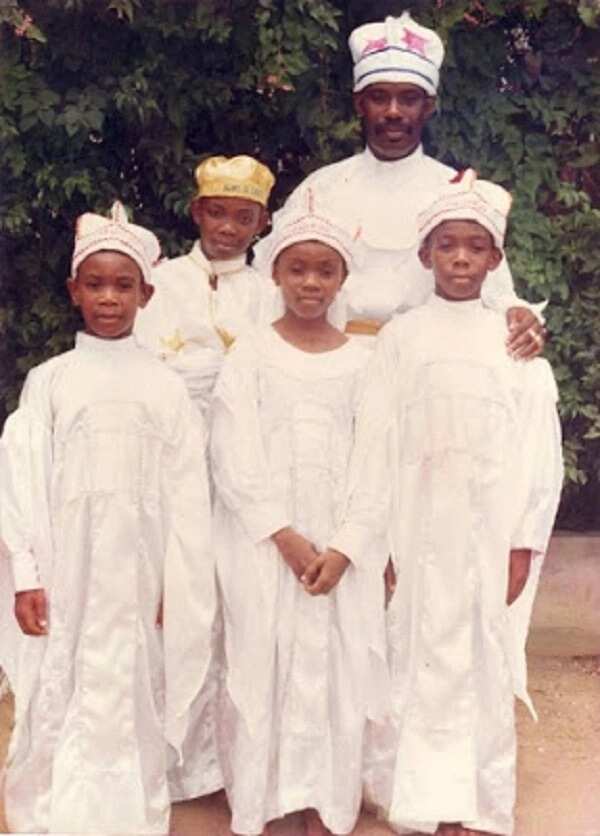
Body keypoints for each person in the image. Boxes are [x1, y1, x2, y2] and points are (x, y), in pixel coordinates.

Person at [340, 171, 563, 836]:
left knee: (481, 657)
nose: (461, 259)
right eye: (447, 246)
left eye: (475, 247)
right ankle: (414, 796)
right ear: (426, 255)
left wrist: (522, 541)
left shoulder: (516, 344)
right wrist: (376, 539)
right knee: (413, 651)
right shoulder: (401, 340)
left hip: (488, 530)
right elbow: (374, 442)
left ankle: (474, 801)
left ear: (495, 259)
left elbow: (537, 452)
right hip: (416, 526)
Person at [0, 203, 215, 835]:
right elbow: (20, 486)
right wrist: (27, 576)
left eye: (124, 286)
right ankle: (53, 818)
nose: (109, 298)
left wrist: (178, 585)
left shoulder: (165, 387)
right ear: (74, 291)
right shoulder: (51, 382)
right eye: (95, 284)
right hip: (68, 573)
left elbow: (187, 497)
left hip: (140, 578)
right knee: (60, 688)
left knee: (131, 693)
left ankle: (129, 820)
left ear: (147, 295)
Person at [209, 205, 390, 836]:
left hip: (340, 551)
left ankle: (326, 802)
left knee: (337, 667)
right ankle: (266, 803)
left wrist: (345, 546)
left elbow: (378, 459)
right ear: (276, 275)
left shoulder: (367, 361)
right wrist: (282, 534)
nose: (310, 284)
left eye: (324, 272)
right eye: (297, 270)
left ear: (342, 280)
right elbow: (232, 453)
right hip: (268, 544)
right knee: (265, 662)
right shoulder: (252, 354)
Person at [259, 11, 545, 357]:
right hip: (329, 364)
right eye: (380, 97)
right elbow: (267, 286)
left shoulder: (455, 192)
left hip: (426, 363)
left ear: (428, 106)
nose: (393, 111)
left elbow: (496, 293)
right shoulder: (319, 190)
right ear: (360, 103)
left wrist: (519, 316)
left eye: (408, 99)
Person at [135, 153, 276, 415]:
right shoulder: (159, 281)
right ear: (197, 212)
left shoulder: (267, 294)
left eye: (243, 219)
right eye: (216, 213)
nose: (228, 228)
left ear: (261, 222)